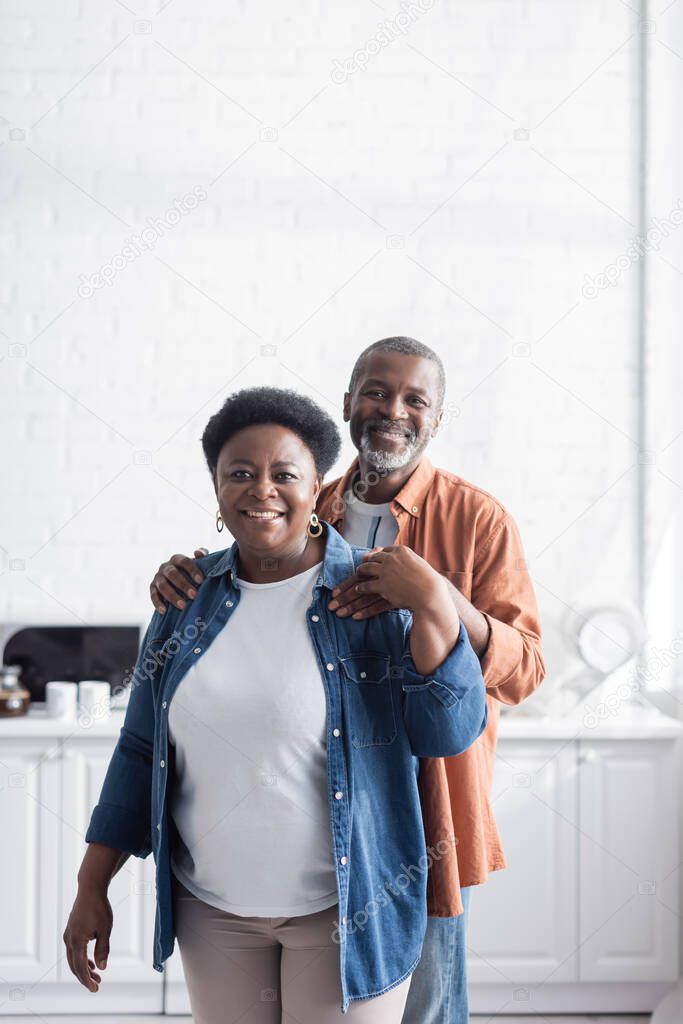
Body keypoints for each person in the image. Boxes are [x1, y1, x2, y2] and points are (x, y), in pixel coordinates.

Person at [150, 337, 546, 1024]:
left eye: (413, 399)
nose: (392, 410)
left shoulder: (476, 519)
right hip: (328, 815)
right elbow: (250, 596)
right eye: (375, 392)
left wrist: (436, 599)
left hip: (431, 806)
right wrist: (182, 577)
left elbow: (526, 667)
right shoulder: (312, 500)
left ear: (436, 418)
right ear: (347, 404)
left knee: (422, 1003)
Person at [63, 385, 488, 1022]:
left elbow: (449, 731)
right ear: (216, 490)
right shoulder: (184, 604)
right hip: (212, 913)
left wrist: (433, 600)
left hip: (349, 911)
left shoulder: (373, 595)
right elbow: (141, 748)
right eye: (240, 473)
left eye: (284, 474)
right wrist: (91, 884)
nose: (262, 489)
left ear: (318, 488)